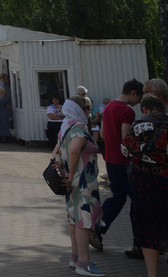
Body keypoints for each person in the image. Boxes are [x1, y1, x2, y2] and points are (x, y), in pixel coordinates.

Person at [123, 92, 168, 277]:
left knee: (149, 227)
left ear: (144, 109)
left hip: (148, 184)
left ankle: (152, 274)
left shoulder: (140, 126)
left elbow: (126, 150)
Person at [92, 79, 143, 256]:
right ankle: (141, 241)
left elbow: (104, 134)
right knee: (137, 201)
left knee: (118, 197)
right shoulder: (127, 111)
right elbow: (126, 138)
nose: (138, 103)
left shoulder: (109, 107)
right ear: (133, 93)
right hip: (124, 162)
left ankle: (99, 226)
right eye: (139, 98)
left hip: (110, 159)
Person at [59, 96, 103, 276]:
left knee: (73, 218)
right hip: (82, 181)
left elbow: (57, 153)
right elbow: (74, 149)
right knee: (84, 220)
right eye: (88, 110)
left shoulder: (65, 126)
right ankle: (84, 262)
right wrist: (70, 173)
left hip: (72, 182)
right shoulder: (79, 127)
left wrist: (65, 170)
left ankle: (75, 255)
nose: (90, 114)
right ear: (82, 110)